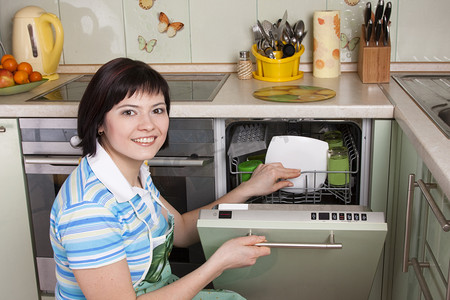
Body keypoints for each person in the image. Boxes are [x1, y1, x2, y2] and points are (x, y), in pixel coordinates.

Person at [50, 57, 301, 300]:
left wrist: (247, 189)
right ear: (99, 123)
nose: (148, 125)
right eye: (129, 112)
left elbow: (180, 230)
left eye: (157, 110)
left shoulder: (134, 173)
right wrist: (218, 264)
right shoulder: (89, 211)